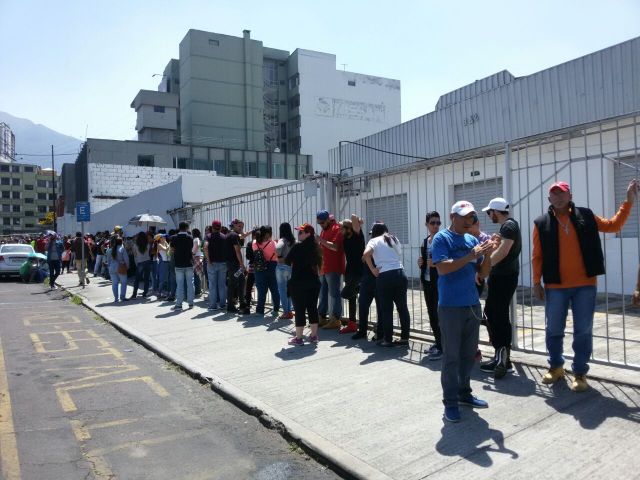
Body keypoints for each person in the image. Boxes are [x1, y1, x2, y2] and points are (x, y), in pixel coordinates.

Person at [533, 179, 638, 392]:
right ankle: (556, 367)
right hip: (555, 286)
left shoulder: (586, 216)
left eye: (562, 193)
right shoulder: (541, 223)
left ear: (570, 196)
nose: (559, 197)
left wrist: (628, 202)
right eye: (554, 194)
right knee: (553, 329)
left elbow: (613, 225)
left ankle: (579, 372)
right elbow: (537, 255)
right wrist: (536, 282)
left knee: (583, 330)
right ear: (549, 199)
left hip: (585, 285)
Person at [431, 201, 495, 423]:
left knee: (468, 355)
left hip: (471, 304)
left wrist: (487, 254)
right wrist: (470, 256)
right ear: (452, 216)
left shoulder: (472, 240)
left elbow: (483, 273)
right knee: (451, 356)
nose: (469, 221)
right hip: (450, 306)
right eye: (465, 216)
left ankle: (464, 393)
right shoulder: (442, 239)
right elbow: (442, 268)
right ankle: (450, 402)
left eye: (472, 217)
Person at [479, 198, 522, 379]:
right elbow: (503, 248)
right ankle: (501, 356)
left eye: (490, 213)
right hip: (503, 277)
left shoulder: (509, 226)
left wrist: (484, 268)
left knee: (497, 315)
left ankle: (503, 358)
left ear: (495, 211)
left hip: (504, 277)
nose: (489, 216)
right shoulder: (508, 228)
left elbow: (504, 252)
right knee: (493, 314)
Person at [363, 222, 411, 347]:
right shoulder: (393, 238)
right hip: (400, 273)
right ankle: (405, 338)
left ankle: (387, 339)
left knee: (386, 310)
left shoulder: (373, 241)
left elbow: (365, 255)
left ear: (373, 232)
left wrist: (373, 269)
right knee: (402, 308)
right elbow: (398, 253)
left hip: (385, 276)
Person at [285, 223, 323, 346]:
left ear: (308, 234)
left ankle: (299, 338)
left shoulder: (297, 247)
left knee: (300, 310)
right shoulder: (316, 247)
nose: (298, 234)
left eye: (301, 232)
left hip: (298, 283)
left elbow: (287, 260)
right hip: (313, 282)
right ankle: (313, 336)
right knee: (312, 308)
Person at [418, 211, 443, 360]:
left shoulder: (443, 239)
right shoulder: (425, 241)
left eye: (438, 223)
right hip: (428, 282)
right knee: (432, 314)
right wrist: (421, 263)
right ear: (426, 224)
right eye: (432, 223)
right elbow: (424, 261)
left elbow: (448, 259)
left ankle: (443, 346)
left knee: (441, 315)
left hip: (440, 283)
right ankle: (438, 342)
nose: (435, 226)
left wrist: (435, 263)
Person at [315, 210, 345, 329]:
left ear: (328, 220)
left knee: (334, 294)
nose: (321, 225)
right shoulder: (324, 229)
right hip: (324, 267)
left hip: (333, 267)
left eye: (322, 223)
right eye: (319, 223)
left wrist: (320, 240)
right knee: (322, 294)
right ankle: (321, 317)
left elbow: (335, 247)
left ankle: (336, 319)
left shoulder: (337, 228)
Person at [339, 215, 365, 334]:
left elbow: (353, 217)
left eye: (342, 228)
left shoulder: (357, 236)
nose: (340, 230)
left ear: (349, 229)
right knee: (351, 298)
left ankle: (359, 288)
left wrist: (357, 221)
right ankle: (352, 324)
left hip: (359, 271)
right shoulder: (345, 239)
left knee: (345, 293)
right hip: (349, 271)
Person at [252, 225, 280, 316]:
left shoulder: (255, 243)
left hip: (259, 267)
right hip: (272, 266)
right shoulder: (274, 243)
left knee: (261, 290)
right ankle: (276, 310)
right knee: (274, 289)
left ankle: (260, 311)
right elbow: (277, 255)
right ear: (269, 233)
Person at [226, 219, 250, 314]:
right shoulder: (234, 235)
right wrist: (242, 264)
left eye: (242, 227)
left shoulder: (230, 234)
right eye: (239, 226)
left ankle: (241, 303)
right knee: (233, 283)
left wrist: (252, 231)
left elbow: (243, 235)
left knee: (241, 281)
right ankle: (231, 306)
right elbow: (237, 250)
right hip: (235, 264)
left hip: (233, 264)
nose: (241, 228)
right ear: (234, 226)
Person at [170, 222, 195, 310]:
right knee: (190, 284)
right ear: (187, 228)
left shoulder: (174, 238)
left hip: (178, 264)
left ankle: (179, 304)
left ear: (179, 228)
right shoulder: (190, 237)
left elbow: (172, 250)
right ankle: (191, 303)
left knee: (179, 285)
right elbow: (191, 248)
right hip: (188, 263)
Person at [204, 220, 228, 310]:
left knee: (212, 285)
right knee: (222, 285)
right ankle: (222, 304)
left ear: (212, 227)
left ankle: (213, 305)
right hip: (223, 263)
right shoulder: (225, 237)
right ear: (220, 227)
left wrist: (208, 259)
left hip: (212, 263)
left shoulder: (208, 236)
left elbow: (205, 247)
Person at [275, 223, 295, 320]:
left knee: (282, 290)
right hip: (290, 267)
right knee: (289, 290)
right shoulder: (293, 240)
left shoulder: (282, 240)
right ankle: (289, 311)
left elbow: (278, 248)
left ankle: (286, 312)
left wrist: (279, 257)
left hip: (281, 267)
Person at [106, 236, 129, 303]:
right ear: (121, 242)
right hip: (121, 267)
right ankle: (122, 297)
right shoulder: (122, 249)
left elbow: (108, 261)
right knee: (123, 283)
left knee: (114, 284)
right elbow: (126, 259)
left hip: (112, 268)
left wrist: (109, 267)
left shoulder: (109, 250)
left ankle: (116, 298)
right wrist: (127, 267)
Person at [130, 231, 151, 299]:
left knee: (137, 279)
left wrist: (136, 263)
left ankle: (134, 294)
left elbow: (135, 255)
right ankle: (145, 293)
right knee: (146, 279)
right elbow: (149, 253)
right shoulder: (148, 244)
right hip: (147, 261)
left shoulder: (135, 245)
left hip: (140, 262)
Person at [192, 228, 204, 297]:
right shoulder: (200, 239)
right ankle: (199, 289)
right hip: (200, 256)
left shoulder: (196, 239)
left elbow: (195, 248)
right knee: (198, 274)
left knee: (196, 275)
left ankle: (197, 290)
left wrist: (192, 254)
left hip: (196, 257)